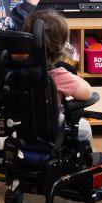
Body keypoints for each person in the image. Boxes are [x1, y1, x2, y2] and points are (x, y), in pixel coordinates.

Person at [25, 10, 93, 145]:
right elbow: (87, 93)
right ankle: (85, 164)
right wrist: (72, 75)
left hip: (19, 130)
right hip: (48, 130)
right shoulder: (58, 75)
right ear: (60, 47)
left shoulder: (14, 70)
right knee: (85, 129)